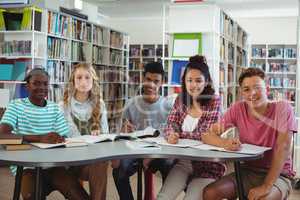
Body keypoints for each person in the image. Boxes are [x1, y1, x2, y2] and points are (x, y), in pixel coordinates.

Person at [202, 67, 297, 200]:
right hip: (247, 171)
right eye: (246, 89)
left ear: (267, 89)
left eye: (257, 88)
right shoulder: (238, 108)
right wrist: (225, 143)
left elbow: (284, 147)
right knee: (210, 193)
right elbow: (207, 134)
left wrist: (266, 186)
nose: (252, 93)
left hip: (278, 175)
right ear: (241, 93)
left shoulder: (283, 109)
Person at [0, 68, 88, 200]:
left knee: (79, 195)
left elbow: (63, 138)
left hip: (54, 166)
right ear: (27, 86)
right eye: (36, 83)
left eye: (45, 84)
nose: (41, 87)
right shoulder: (16, 106)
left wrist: (60, 139)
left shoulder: (54, 108)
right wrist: (40, 138)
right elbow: (2, 136)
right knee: (32, 195)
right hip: (26, 167)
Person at [156, 55, 225, 200]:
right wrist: (171, 134)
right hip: (183, 162)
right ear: (184, 82)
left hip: (208, 166)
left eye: (199, 80)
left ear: (206, 82)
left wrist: (180, 134)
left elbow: (205, 135)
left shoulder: (214, 101)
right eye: (190, 80)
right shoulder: (180, 99)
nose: (194, 85)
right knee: (163, 197)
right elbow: (170, 124)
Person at [112, 61, 174, 200]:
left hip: (159, 152)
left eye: (156, 81)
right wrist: (123, 132)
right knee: (118, 171)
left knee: (170, 166)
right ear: (142, 79)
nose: (151, 85)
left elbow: (172, 137)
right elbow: (120, 136)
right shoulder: (130, 104)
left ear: (162, 83)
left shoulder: (169, 106)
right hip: (135, 151)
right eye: (148, 80)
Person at [61, 63, 109, 200]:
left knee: (101, 162)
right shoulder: (63, 106)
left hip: (91, 160)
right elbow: (65, 136)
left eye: (87, 78)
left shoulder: (100, 104)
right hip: (70, 161)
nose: (83, 82)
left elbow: (106, 137)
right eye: (79, 77)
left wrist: (100, 135)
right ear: (73, 81)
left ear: (93, 81)